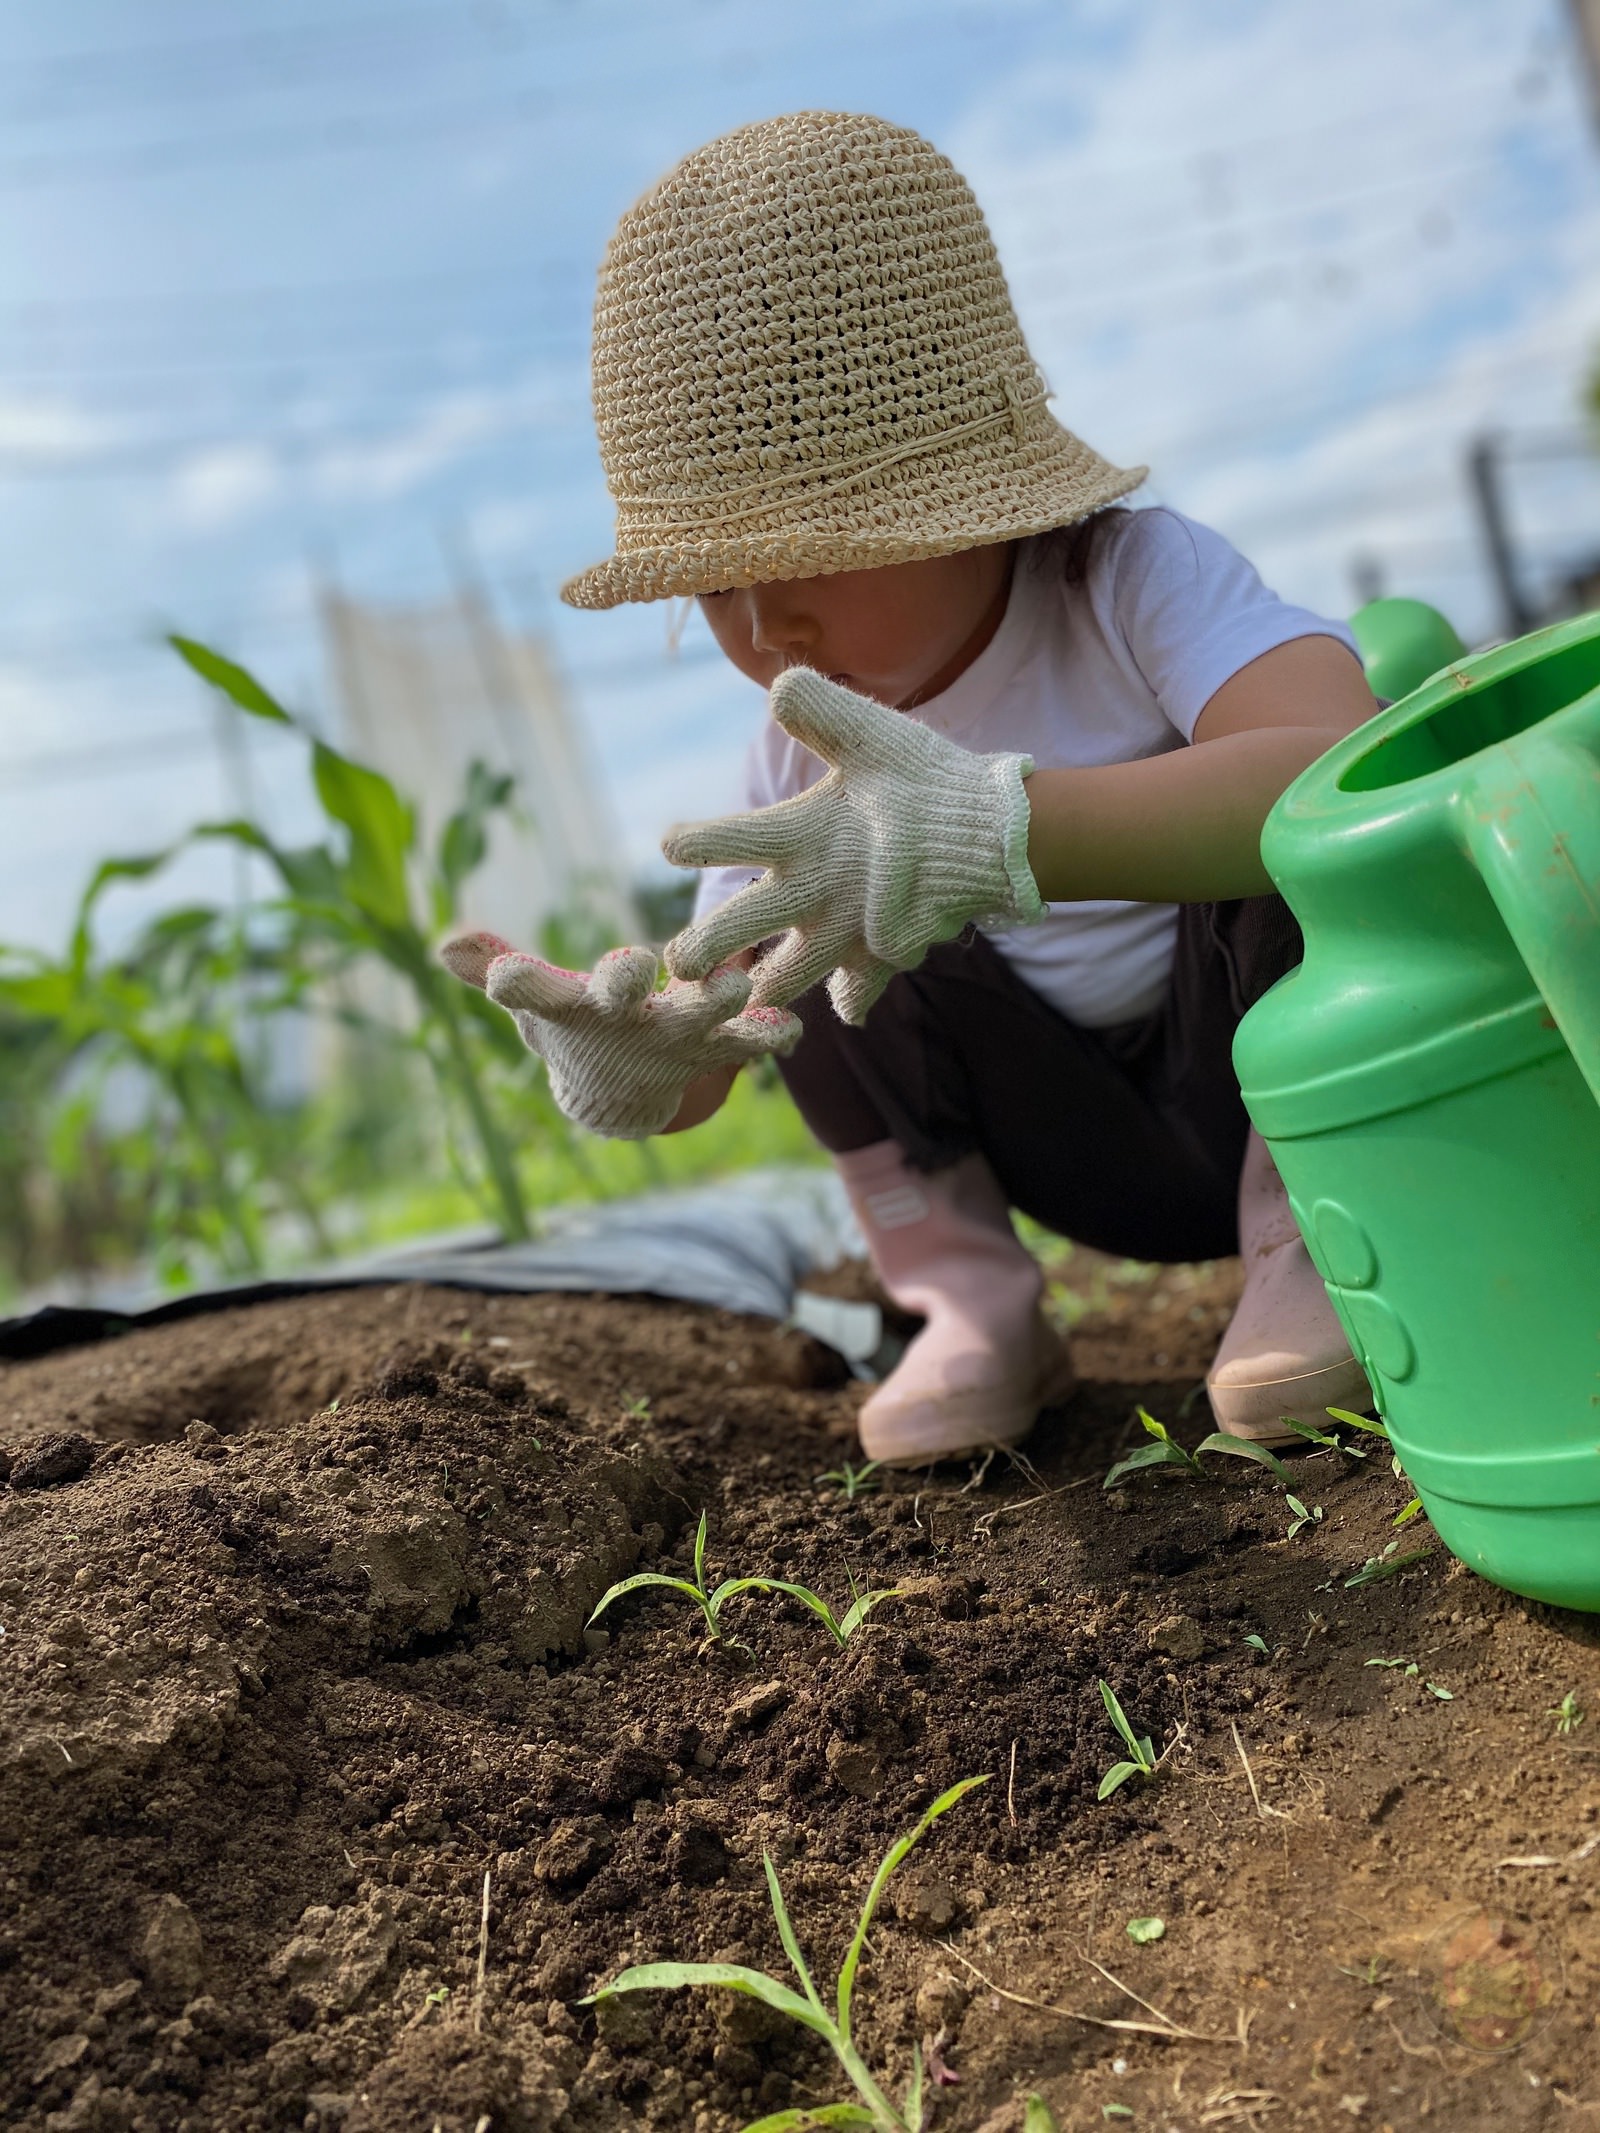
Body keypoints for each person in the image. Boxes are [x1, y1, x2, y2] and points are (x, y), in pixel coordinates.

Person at [443, 110, 1378, 1467]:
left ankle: (1323, 1233)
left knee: (1294, 861)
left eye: (808, 552)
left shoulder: (1126, 584)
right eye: (711, 582)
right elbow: (729, 1013)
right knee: (801, 945)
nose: (764, 626)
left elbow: (1332, 765)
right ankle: (968, 1297)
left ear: (962, 493)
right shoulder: (796, 751)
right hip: (1062, 1144)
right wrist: (648, 1055)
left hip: (1276, 1096)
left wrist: (1000, 828)